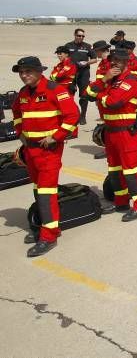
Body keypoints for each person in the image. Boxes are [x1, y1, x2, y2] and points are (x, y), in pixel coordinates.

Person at [11, 56, 80, 257]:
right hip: (30, 150)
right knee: (37, 188)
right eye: (21, 73)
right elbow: (16, 113)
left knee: (46, 191)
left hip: (48, 151)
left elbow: (72, 116)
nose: (24, 76)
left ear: (39, 71)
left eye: (28, 72)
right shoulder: (23, 93)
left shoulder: (55, 90)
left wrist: (56, 137)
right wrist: (19, 133)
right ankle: (44, 225)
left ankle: (49, 236)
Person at [86, 48, 137, 222]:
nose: (114, 63)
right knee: (114, 171)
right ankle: (121, 201)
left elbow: (113, 102)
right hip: (111, 133)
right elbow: (88, 94)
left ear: (126, 62)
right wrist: (104, 80)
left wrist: (101, 93)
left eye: (119, 61)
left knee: (131, 171)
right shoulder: (110, 80)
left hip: (126, 134)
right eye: (113, 60)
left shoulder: (130, 81)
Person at [64, 28, 97, 125]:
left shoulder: (87, 46)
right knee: (69, 95)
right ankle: (71, 115)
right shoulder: (68, 45)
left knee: (84, 96)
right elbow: (63, 57)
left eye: (83, 36)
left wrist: (87, 62)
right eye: (79, 35)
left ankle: (83, 116)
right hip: (71, 74)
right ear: (74, 35)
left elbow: (95, 59)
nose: (81, 37)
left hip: (84, 74)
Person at [118, 40, 137, 130]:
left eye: (127, 49)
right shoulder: (121, 61)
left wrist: (133, 84)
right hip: (121, 91)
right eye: (124, 48)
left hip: (135, 92)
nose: (125, 50)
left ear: (131, 50)